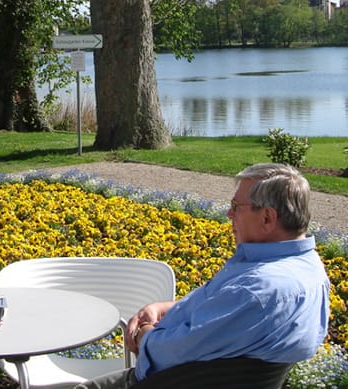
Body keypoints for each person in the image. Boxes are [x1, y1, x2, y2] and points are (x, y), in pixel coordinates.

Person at [76, 163, 330, 388]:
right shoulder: (309, 271)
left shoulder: (257, 290)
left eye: (236, 207)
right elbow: (227, 321)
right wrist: (168, 308)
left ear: (267, 217)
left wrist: (144, 333)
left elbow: (169, 352)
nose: (229, 215)